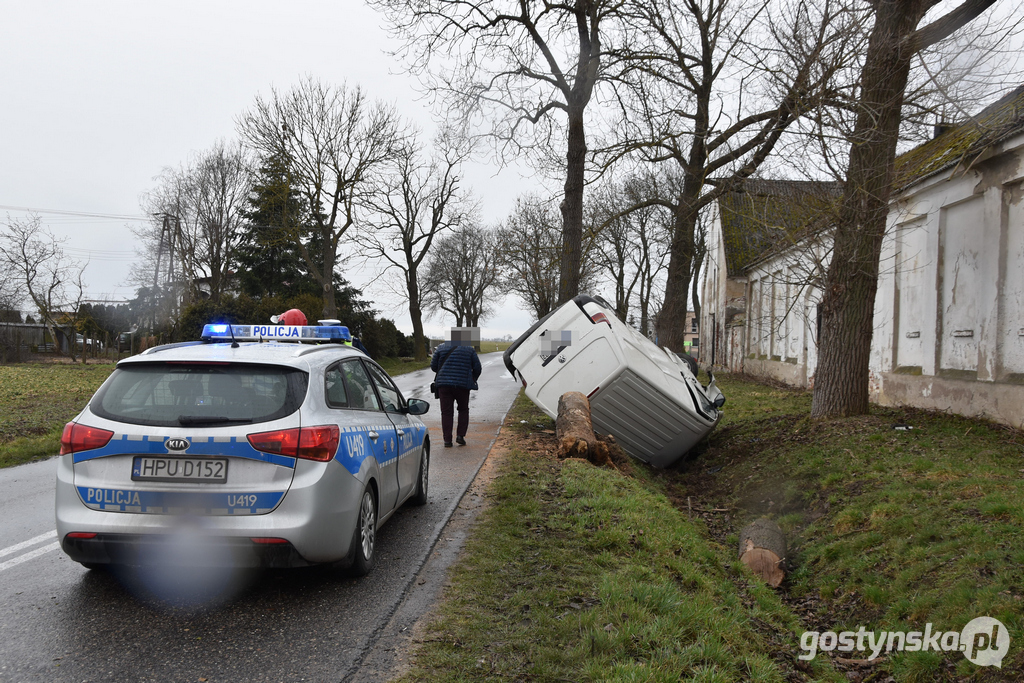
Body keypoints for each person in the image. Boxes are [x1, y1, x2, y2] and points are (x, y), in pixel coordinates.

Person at [431, 327, 482, 448]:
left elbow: (433, 366)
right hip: (463, 386)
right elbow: (478, 368)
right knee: (463, 410)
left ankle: (447, 440)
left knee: (446, 412)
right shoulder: (469, 350)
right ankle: (460, 436)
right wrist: (472, 378)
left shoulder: (441, 348)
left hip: (444, 385)